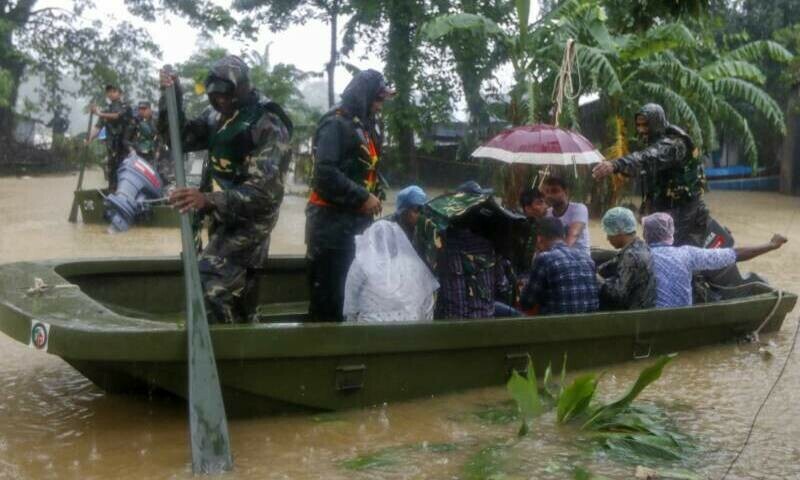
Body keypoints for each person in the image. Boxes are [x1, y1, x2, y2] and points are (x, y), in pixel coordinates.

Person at [158, 55, 293, 324]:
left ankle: (223, 350)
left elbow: (264, 195)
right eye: (215, 95)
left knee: (210, 286)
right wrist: (171, 97)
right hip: (222, 214)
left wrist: (207, 200)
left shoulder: (268, 124)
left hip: (251, 221)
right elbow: (178, 138)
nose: (221, 101)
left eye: (227, 94)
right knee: (240, 293)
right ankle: (243, 337)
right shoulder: (217, 117)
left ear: (242, 89)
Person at [305, 69, 394, 322]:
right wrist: (362, 197)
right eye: (378, 100)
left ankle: (347, 353)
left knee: (351, 297)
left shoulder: (363, 126)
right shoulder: (336, 124)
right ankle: (323, 354)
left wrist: (373, 194)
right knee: (329, 300)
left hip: (354, 227)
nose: (379, 107)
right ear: (365, 97)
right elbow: (324, 173)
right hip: (330, 230)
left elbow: (364, 169)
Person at [592, 103, 708, 247]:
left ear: (656, 123)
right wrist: (646, 208)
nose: (641, 130)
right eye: (639, 125)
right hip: (667, 209)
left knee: (675, 254)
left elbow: (648, 158)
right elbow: (650, 177)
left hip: (686, 211)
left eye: (646, 125)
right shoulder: (655, 142)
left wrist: (616, 164)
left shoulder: (674, 144)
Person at [642, 212, 788, 308]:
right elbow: (735, 254)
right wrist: (772, 245)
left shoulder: (639, 256)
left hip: (653, 317)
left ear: (645, 235)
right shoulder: (687, 254)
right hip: (682, 317)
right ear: (671, 232)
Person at [343, 221, 439, 322]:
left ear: (371, 239)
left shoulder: (362, 261)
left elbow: (351, 297)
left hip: (371, 327)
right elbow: (427, 299)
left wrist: (351, 322)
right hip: (410, 325)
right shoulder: (413, 262)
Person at [520, 217, 599, 315]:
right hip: (589, 324)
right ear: (563, 236)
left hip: (558, 326)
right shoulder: (586, 257)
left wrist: (523, 288)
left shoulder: (544, 258)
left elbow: (526, 302)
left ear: (539, 238)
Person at [597, 207, 656, 310]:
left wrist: (596, 279)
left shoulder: (631, 256)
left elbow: (617, 295)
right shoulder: (642, 247)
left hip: (631, 319)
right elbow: (614, 263)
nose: (607, 238)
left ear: (620, 231)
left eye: (609, 233)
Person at [87, 84, 133, 191]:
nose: (111, 94)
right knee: (112, 170)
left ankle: (125, 191)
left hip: (126, 146)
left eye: (113, 91)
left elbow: (117, 115)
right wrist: (89, 138)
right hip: (112, 147)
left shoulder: (126, 106)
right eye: (108, 92)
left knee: (125, 169)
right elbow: (98, 127)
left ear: (119, 93)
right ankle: (112, 190)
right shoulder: (106, 109)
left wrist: (99, 113)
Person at [542, 176, 591, 255]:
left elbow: (573, 235)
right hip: (555, 258)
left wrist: (556, 256)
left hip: (580, 258)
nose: (549, 195)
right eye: (547, 192)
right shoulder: (547, 214)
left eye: (554, 191)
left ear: (566, 192)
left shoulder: (578, 209)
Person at [513, 187, 548, 275]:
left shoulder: (543, 225)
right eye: (539, 203)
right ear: (528, 208)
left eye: (545, 202)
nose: (545, 206)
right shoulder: (519, 226)